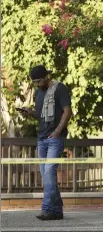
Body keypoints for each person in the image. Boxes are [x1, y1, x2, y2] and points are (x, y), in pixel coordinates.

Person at [18, 65, 72, 220]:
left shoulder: (59, 88)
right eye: (34, 82)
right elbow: (42, 116)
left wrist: (58, 131)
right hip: (42, 137)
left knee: (49, 172)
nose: (36, 84)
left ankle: (47, 209)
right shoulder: (37, 93)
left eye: (39, 81)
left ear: (46, 76)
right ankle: (57, 209)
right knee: (46, 174)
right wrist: (30, 113)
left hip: (55, 137)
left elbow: (67, 111)